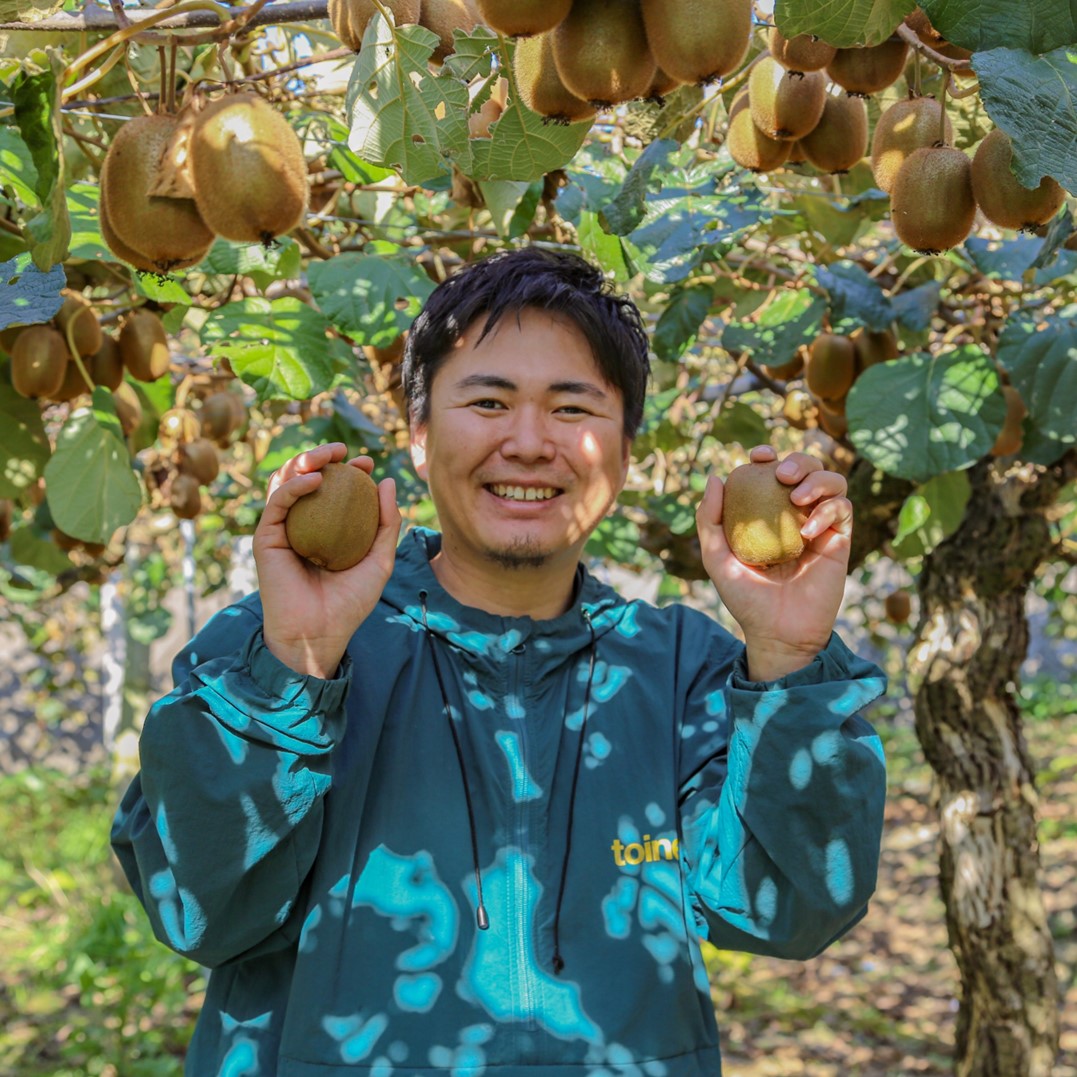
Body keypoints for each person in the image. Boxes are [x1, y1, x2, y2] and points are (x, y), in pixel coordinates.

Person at [111, 247, 887, 1077]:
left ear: (623, 449)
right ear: (417, 436)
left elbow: (786, 910)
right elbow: (197, 907)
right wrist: (294, 668)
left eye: (571, 407)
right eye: (487, 400)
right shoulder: (270, 647)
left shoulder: (683, 673)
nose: (527, 442)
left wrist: (786, 658)